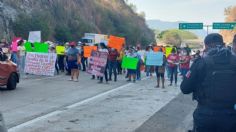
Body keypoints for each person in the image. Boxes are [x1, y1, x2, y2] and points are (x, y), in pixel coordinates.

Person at [181, 33, 236, 132]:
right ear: (223, 44)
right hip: (230, 115)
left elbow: (185, 88)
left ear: (205, 46)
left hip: (205, 115)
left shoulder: (201, 62)